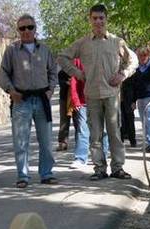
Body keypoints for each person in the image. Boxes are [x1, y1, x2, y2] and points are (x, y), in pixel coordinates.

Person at [57, 4, 138, 181]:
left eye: (101, 18)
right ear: (90, 20)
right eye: (95, 18)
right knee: (95, 135)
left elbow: (134, 60)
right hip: (92, 95)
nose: (98, 21)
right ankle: (99, 168)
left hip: (111, 94)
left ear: (106, 19)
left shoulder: (117, 42)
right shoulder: (83, 43)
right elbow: (62, 57)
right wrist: (77, 73)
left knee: (115, 133)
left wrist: (122, 75)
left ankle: (118, 168)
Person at [0, 14, 58, 188]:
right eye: (22, 28)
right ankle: (23, 175)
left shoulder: (45, 50)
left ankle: (46, 173)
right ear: (18, 30)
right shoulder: (11, 50)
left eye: (30, 27)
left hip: (42, 99)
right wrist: (10, 90)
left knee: (46, 141)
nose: (26, 31)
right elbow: (3, 73)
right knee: (21, 141)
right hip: (21, 101)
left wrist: (50, 91)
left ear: (35, 28)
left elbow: (53, 72)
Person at [69, 58, 109, 169]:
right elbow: (74, 81)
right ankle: (81, 158)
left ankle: (103, 155)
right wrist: (75, 100)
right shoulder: (78, 60)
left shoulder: (103, 56)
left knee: (103, 129)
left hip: (101, 99)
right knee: (82, 129)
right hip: (83, 101)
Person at [56, 69, 71, 151]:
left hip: (78, 99)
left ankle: (81, 142)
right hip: (64, 98)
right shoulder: (62, 72)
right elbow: (61, 83)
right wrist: (66, 83)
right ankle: (62, 142)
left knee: (79, 122)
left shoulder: (81, 69)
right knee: (64, 120)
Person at [120, 77, 136, 147]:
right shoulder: (113, 73)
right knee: (120, 121)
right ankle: (121, 140)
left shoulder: (129, 76)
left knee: (130, 121)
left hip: (128, 101)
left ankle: (132, 140)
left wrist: (134, 101)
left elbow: (134, 88)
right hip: (117, 102)